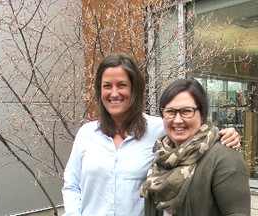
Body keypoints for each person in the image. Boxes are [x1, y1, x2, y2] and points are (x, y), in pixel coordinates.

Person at [61, 53, 241, 216]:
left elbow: (197, 138)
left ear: (135, 89)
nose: (114, 93)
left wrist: (227, 135)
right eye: (107, 86)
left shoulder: (160, 130)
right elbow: (72, 185)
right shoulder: (86, 135)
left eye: (122, 85)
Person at [140, 79, 250, 216]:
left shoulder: (223, 158)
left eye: (186, 111)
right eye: (170, 112)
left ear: (202, 114)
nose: (178, 120)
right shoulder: (162, 157)